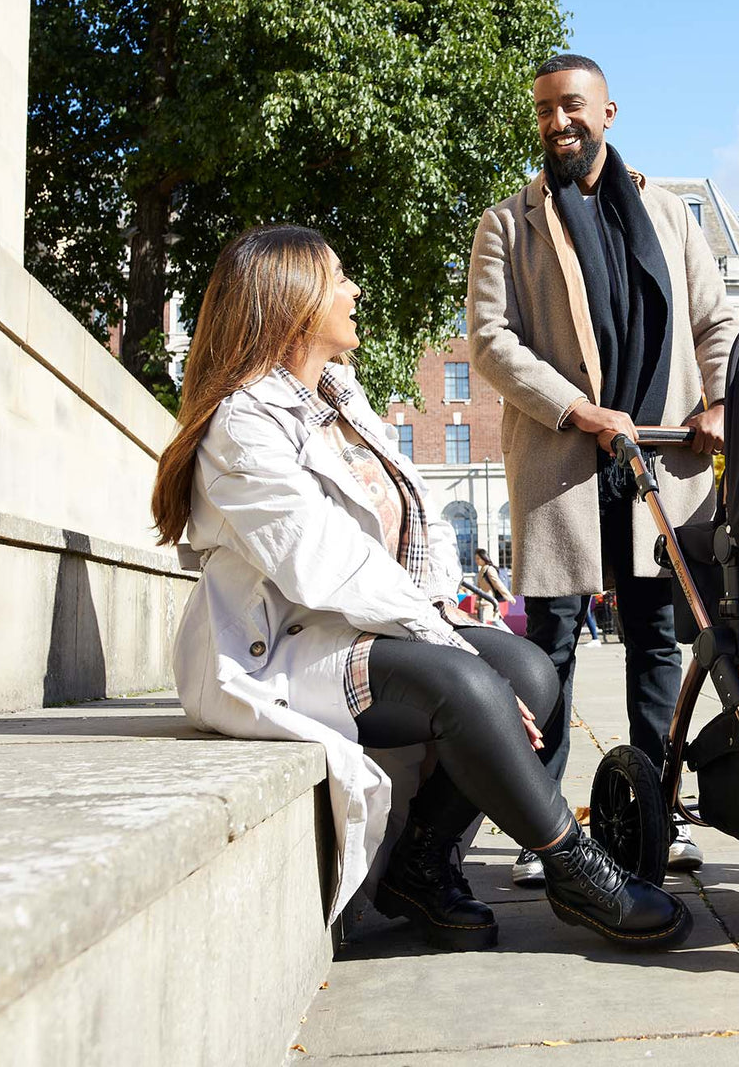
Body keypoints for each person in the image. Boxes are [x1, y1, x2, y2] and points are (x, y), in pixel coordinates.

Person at [151, 224, 692, 952]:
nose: (355, 291)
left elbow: (420, 523)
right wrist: (450, 646)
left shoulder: (339, 399)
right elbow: (326, 566)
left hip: (361, 627)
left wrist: (447, 617)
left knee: (528, 671)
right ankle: (577, 869)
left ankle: (422, 866)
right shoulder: (245, 425)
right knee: (469, 682)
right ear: (292, 301)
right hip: (275, 651)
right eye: (338, 277)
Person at [468, 54, 737, 886]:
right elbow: (490, 341)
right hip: (562, 462)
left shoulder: (670, 213)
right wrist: (577, 410)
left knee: (659, 639)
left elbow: (713, 321)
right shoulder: (507, 224)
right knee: (549, 646)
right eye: (545, 110)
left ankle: (657, 813)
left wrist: (721, 404)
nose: (558, 123)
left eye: (573, 107)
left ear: (609, 112)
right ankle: (541, 827)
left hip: (663, 457)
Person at [474, 547, 511, 623]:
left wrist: (509, 597)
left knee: (493, 623)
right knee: (494, 623)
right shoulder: (481, 570)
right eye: (476, 559)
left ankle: (510, 634)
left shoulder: (489, 569)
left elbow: (498, 584)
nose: (476, 561)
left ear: (484, 558)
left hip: (488, 602)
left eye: (478, 558)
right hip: (482, 602)